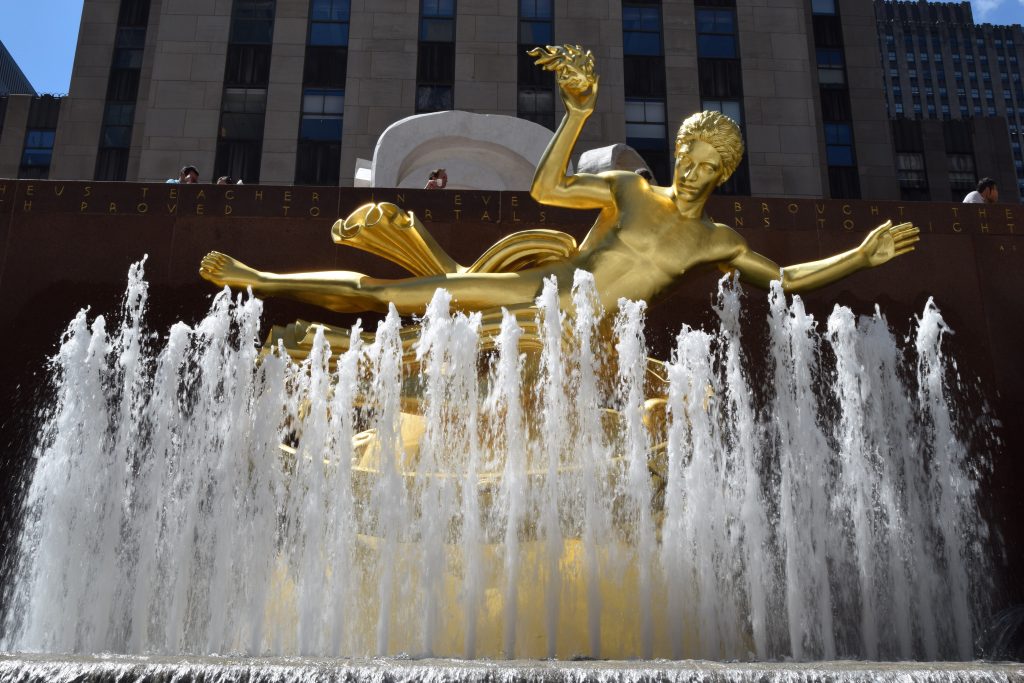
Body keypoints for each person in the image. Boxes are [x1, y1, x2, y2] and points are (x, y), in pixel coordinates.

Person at [199, 45, 919, 319]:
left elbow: (786, 279)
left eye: (712, 168)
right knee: (399, 299)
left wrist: (860, 255)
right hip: (544, 292)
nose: (698, 175)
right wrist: (576, 112)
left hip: (596, 335)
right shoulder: (633, 191)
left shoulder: (716, 240)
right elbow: (547, 189)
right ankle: (259, 278)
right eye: (691, 159)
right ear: (678, 155)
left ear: (726, 174)